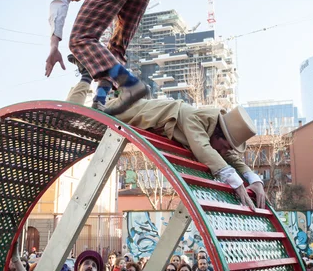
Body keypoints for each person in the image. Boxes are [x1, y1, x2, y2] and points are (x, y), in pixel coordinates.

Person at [66, 77, 266, 210]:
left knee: (84, 119)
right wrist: (237, 183)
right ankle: (85, 77)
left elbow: (228, 157)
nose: (224, 152)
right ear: (218, 134)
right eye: (225, 146)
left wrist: (253, 179)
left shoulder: (212, 135)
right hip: (121, 113)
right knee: (75, 120)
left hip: (128, 112)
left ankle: (101, 81)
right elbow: (202, 149)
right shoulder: (192, 118)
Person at [41, 0, 152, 115]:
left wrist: (54, 46)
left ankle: (130, 84)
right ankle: (100, 102)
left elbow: (59, 5)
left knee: (80, 39)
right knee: (115, 51)